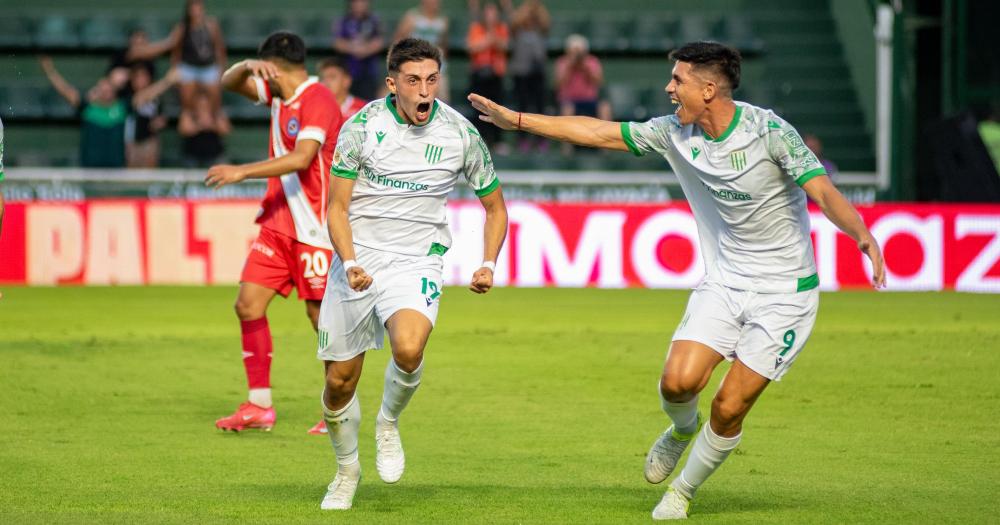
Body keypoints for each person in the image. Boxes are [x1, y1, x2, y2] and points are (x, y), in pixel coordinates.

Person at [469, 41, 886, 520]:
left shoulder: (769, 131)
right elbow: (598, 132)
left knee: (729, 407)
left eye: (678, 80)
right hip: (726, 282)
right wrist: (519, 120)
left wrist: (862, 236)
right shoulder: (673, 133)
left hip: (784, 295)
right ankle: (681, 430)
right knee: (676, 384)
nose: (668, 88)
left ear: (708, 89)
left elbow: (823, 191)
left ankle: (682, 492)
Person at [317, 37, 508, 510]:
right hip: (358, 261)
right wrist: (352, 261)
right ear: (392, 83)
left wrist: (488, 263)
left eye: (431, 80)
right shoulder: (360, 128)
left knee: (408, 347)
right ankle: (346, 471)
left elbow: (496, 208)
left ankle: (387, 422)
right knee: (340, 382)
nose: (424, 91)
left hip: (416, 260)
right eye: (413, 81)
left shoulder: (460, 134)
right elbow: (336, 208)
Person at [206, 32, 344, 434]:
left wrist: (242, 171)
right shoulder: (280, 94)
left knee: (321, 317)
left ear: (275, 67)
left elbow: (303, 158)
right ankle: (259, 405)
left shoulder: (317, 98)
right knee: (247, 304)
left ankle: (338, 409)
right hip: (279, 223)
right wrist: (245, 66)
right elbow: (228, 82)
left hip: (316, 229)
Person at [39, 56, 127, 168]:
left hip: (116, 171)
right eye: (102, 88)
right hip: (90, 170)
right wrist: (49, 70)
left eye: (109, 88)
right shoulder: (87, 107)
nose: (106, 91)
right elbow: (65, 90)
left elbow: (145, 96)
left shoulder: (122, 107)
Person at [505, 0, 550, 152]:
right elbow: (515, 20)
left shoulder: (540, 29)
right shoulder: (518, 30)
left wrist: (536, 6)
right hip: (521, 73)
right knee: (522, 108)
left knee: (540, 108)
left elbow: (545, 21)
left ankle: (541, 140)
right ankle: (523, 140)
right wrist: (528, 5)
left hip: (538, 72)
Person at [466, 1, 509, 151]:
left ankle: (497, 141)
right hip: (479, 73)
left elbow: (504, 46)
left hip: (496, 73)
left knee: (497, 107)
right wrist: (488, 39)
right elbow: (472, 47)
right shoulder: (476, 28)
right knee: (478, 108)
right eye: (488, 12)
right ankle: (480, 140)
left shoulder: (501, 28)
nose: (491, 16)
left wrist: (492, 36)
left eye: (493, 12)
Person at [393, 0, 450, 101]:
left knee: (443, 101)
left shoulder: (443, 20)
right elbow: (398, 41)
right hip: (415, 65)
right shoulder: (412, 17)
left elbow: (444, 44)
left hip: (437, 67)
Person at [126, 65, 179, 168]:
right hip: (132, 142)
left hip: (151, 140)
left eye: (144, 76)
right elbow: (139, 99)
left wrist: (160, 122)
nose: (141, 80)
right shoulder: (128, 95)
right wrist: (167, 81)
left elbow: (161, 116)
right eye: (138, 77)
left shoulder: (157, 98)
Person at [333, 0, 385, 101]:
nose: (360, 5)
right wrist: (353, 48)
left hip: (368, 73)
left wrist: (364, 50)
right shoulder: (343, 21)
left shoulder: (374, 21)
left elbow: (379, 42)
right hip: (349, 71)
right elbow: (338, 43)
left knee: (368, 103)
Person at [179, 89, 231, 168]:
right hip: (193, 155)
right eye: (200, 104)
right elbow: (184, 130)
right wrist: (199, 126)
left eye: (206, 104)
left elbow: (226, 130)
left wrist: (212, 125)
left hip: (215, 155)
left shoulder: (217, 113)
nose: (203, 106)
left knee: (222, 163)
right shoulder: (188, 114)